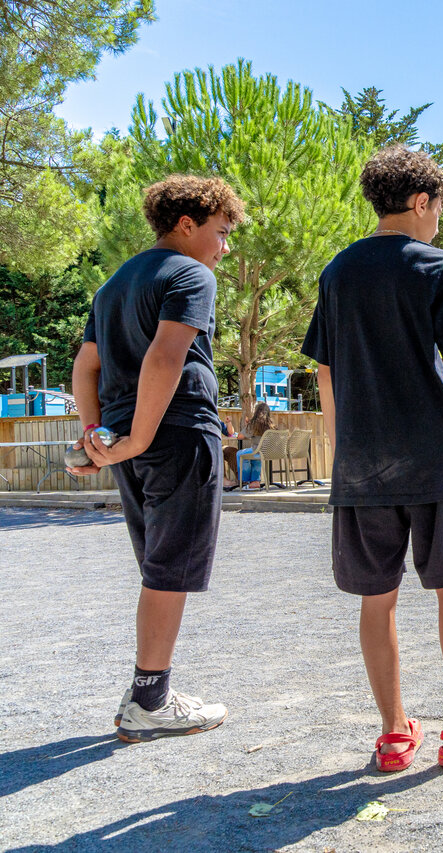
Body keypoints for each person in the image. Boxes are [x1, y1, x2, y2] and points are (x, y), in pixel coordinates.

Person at [301, 144, 443, 773]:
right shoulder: (438, 267)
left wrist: (342, 456)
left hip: (362, 465)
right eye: (439, 208)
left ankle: (394, 736)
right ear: (421, 201)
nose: (440, 221)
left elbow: (326, 373)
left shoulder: (337, 273)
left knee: (378, 599)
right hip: (432, 459)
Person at [67, 174, 246, 741]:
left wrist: (98, 435)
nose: (223, 248)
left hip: (130, 435)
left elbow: (85, 367)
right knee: (170, 569)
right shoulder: (191, 274)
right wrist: (141, 437)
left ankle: (147, 693)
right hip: (173, 433)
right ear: (187, 224)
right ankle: (151, 698)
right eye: (219, 233)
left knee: (159, 567)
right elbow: (168, 359)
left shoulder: (113, 284)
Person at [231, 401, 276, 490]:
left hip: (258, 451)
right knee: (255, 457)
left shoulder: (254, 424)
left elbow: (240, 436)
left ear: (256, 412)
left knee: (240, 454)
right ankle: (255, 482)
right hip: (269, 452)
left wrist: (247, 426)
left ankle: (245, 481)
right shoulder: (272, 425)